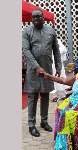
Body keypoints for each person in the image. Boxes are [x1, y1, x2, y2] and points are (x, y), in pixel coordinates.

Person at [22, 9, 62, 137]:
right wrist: (37, 67)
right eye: (33, 17)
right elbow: (26, 50)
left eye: (38, 17)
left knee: (45, 96)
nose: (35, 19)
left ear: (43, 18)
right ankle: (31, 125)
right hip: (33, 71)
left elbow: (56, 50)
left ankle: (44, 122)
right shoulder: (27, 31)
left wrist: (59, 66)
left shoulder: (51, 31)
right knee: (32, 97)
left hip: (47, 69)